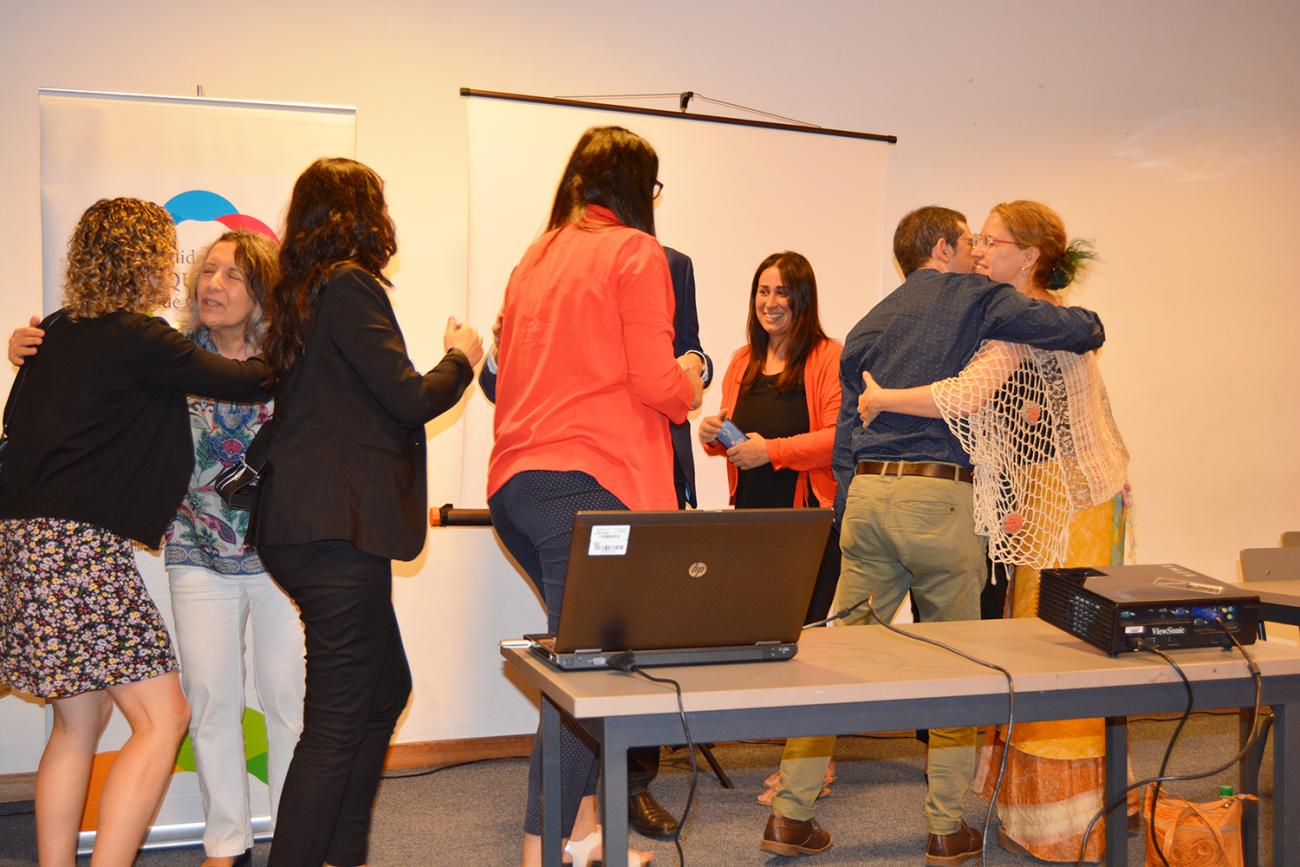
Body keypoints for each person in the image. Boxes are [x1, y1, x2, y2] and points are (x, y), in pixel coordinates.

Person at [761, 205, 1106, 865]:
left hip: (867, 498)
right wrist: (1086, 319)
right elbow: (1076, 329)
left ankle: (790, 815)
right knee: (957, 667)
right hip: (940, 498)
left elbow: (844, 438)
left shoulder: (868, 324)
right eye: (970, 241)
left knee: (834, 664)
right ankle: (946, 827)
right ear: (944, 248)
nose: (978, 252)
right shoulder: (976, 297)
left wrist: (848, 517)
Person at [7, 231, 306, 867]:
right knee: (203, 705)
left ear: (262, 293)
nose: (211, 284)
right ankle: (225, 844)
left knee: (286, 702)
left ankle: (294, 843)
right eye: (206, 270)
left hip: (279, 554)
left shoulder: (285, 355)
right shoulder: (168, 348)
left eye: (232, 275)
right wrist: (28, 345)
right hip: (193, 550)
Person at [857, 200, 1132, 863]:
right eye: (975, 239)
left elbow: (964, 394)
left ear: (1029, 255)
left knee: (1055, 645)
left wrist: (881, 397)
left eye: (991, 240)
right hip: (1056, 499)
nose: (979, 251)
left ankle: (1059, 821)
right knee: (1042, 639)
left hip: (1072, 503)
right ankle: (1052, 810)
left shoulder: (1022, 323)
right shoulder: (1027, 316)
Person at [252, 157, 483, 867]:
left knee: (384, 693)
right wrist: (461, 358)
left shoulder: (302, 293)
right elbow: (409, 398)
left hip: (308, 528)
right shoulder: (349, 285)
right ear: (362, 215)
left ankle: (343, 852)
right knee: (335, 722)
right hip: (333, 532)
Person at [487, 125, 702, 867]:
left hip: (518, 487)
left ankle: (585, 840)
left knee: (587, 668)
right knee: (586, 677)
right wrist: (692, 379)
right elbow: (656, 382)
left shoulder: (535, 256)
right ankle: (539, 854)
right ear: (639, 188)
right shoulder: (635, 252)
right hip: (590, 489)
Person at [696, 251, 842, 817]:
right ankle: (797, 755)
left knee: (809, 647)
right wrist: (714, 434)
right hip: (752, 522)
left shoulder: (827, 357)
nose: (771, 302)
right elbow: (736, 441)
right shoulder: (742, 360)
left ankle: (812, 765)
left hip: (808, 522)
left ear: (802, 299)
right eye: (763, 290)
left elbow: (837, 438)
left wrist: (772, 452)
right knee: (772, 642)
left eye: (782, 292)